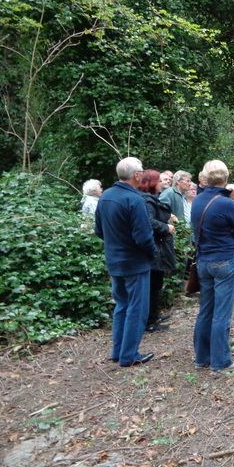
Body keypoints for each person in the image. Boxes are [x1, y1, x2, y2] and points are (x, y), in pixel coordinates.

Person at [94, 157, 156, 367]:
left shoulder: (106, 197)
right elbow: (143, 237)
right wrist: (153, 252)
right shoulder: (135, 200)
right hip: (135, 263)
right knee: (136, 309)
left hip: (114, 261)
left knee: (121, 305)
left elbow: (99, 231)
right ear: (137, 175)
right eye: (142, 172)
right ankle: (129, 355)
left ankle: (118, 351)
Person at [191, 160, 234, 372]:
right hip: (224, 261)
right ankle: (221, 362)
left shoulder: (197, 200)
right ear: (225, 178)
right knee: (221, 313)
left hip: (203, 261)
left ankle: (202, 357)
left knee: (206, 310)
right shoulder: (226, 203)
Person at [138, 169, 176, 332]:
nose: (162, 184)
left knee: (156, 284)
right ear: (153, 183)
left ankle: (154, 315)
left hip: (157, 248)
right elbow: (149, 222)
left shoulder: (151, 199)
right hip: (154, 249)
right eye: (159, 181)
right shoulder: (146, 201)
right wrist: (166, 227)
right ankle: (149, 321)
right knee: (153, 285)